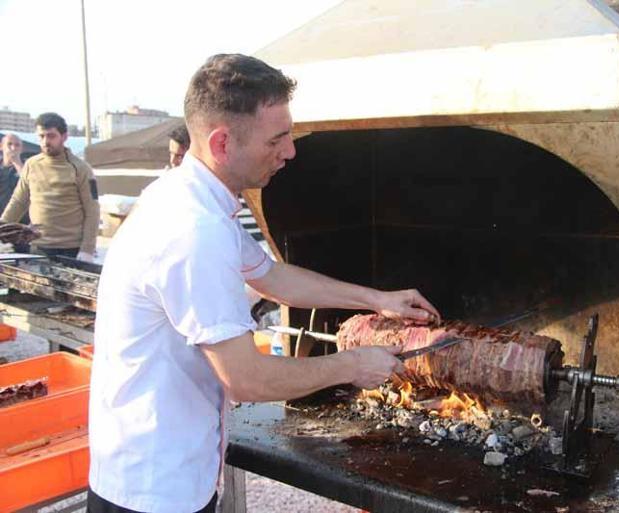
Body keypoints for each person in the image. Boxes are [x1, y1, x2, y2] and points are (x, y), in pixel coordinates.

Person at [87, 54, 441, 513]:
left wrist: (377, 299)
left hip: (161, 465)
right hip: (155, 488)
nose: (291, 151)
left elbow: (271, 276)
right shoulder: (193, 231)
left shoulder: (192, 198)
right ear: (222, 143)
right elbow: (246, 380)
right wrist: (353, 365)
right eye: (277, 139)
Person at [0, 113, 99, 261]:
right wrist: (2, 230)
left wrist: (87, 250)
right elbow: (18, 201)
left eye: (51, 136)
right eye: (41, 136)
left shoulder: (81, 169)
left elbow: (93, 210)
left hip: (71, 250)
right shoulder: (31, 165)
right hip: (37, 247)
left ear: (64, 136)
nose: (46, 141)